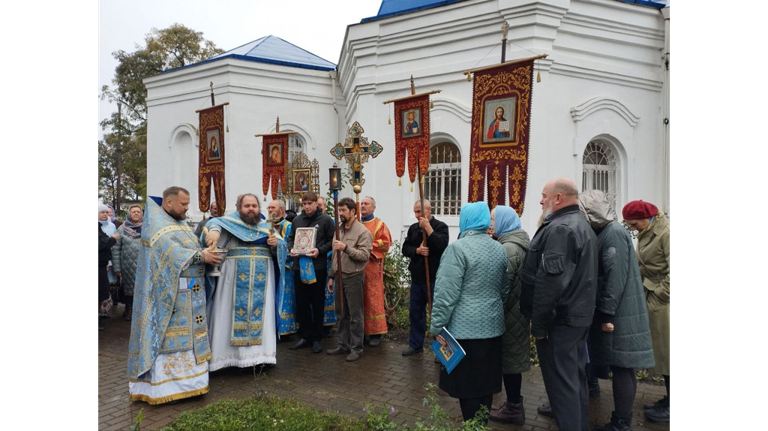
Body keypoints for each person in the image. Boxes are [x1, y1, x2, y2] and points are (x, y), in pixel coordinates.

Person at [127, 186, 223, 405]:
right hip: (169, 298)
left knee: (192, 339)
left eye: (188, 204)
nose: (187, 208)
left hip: (192, 295)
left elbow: (190, 248)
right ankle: (163, 390)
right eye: (183, 204)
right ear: (168, 203)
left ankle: (193, 385)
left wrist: (207, 249)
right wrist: (201, 256)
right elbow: (171, 254)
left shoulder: (180, 224)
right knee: (169, 340)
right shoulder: (158, 226)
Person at [519, 177, 598, 431]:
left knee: (562, 387)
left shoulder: (562, 228)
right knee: (574, 381)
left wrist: (540, 327)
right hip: (576, 318)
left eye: (544, 195)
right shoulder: (579, 224)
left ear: (558, 198)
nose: (541, 201)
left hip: (560, 322)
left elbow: (550, 284)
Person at [575, 190, 656, 431]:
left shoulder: (613, 235)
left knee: (623, 366)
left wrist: (607, 314)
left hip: (621, 314)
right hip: (621, 311)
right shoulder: (609, 233)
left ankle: (621, 423)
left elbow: (614, 278)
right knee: (620, 364)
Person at [429, 201, 509, 424]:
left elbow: (446, 295)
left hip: (464, 333)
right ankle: (480, 426)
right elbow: (504, 290)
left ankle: (473, 427)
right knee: (485, 388)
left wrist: (436, 328)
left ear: (465, 221)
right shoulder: (499, 248)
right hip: (493, 330)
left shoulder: (457, 248)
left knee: (468, 390)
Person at [204, 194, 286, 371]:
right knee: (227, 311)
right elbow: (214, 224)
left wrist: (276, 245)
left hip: (263, 282)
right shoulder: (229, 223)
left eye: (254, 206)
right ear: (239, 207)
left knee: (263, 316)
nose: (251, 209)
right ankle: (227, 359)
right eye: (247, 206)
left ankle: (260, 357)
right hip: (232, 281)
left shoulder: (266, 227)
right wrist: (214, 231)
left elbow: (283, 249)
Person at [622, 199, 670, 423]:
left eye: (634, 224)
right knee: (662, 355)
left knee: (667, 354)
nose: (633, 228)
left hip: (664, 301)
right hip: (654, 297)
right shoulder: (648, 230)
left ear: (645, 218)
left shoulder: (665, 233)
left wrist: (660, 294)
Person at [487, 205, 531, 425]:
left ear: (504, 222)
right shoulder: (517, 242)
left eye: (494, 220)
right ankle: (514, 405)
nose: (490, 225)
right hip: (517, 312)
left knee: (511, 361)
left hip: (509, 314)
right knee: (512, 359)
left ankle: (514, 408)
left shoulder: (508, 249)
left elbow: (500, 287)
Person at [286, 192, 335, 353]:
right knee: (302, 302)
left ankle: (317, 338)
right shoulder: (297, 220)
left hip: (317, 267)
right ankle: (305, 336)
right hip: (299, 266)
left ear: (316, 204)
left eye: (310, 203)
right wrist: (291, 248)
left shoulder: (326, 220)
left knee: (317, 301)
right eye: (304, 204)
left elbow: (331, 241)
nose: (306, 206)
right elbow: (291, 238)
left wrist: (319, 250)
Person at [326, 197, 373, 362]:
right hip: (338, 276)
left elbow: (364, 256)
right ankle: (343, 345)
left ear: (353, 212)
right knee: (340, 313)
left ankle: (356, 348)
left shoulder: (362, 232)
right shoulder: (338, 230)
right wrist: (331, 276)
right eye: (339, 210)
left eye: (344, 210)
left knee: (355, 315)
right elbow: (334, 256)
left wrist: (346, 248)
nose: (341, 213)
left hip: (353, 277)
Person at [401, 199, 449, 356]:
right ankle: (415, 345)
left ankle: (441, 350)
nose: (416, 215)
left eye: (419, 212)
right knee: (415, 313)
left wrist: (428, 229)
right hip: (417, 277)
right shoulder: (414, 229)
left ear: (429, 210)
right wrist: (417, 251)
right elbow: (405, 248)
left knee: (438, 314)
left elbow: (442, 245)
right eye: (415, 212)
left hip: (435, 278)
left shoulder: (441, 227)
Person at [359, 196, 392, 347]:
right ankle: (362, 331)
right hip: (356, 268)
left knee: (373, 299)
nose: (363, 206)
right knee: (359, 300)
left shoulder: (379, 225)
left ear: (373, 208)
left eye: (366, 204)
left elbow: (385, 243)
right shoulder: (355, 224)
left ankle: (375, 333)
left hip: (372, 267)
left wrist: (366, 246)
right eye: (362, 203)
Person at [268, 199, 298, 336]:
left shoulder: (288, 226)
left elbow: (289, 246)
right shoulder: (265, 225)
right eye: (268, 207)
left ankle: (285, 328)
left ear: (281, 210)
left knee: (285, 297)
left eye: (272, 207)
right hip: (270, 266)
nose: (269, 210)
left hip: (285, 266)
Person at [113, 204, 143, 321]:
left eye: (138, 212)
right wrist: (117, 268)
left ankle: (140, 312)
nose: (136, 213)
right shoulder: (122, 229)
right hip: (127, 265)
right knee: (128, 289)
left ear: (142, 214)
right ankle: (129, 309)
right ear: (129, 214)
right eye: (133, 212)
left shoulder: (146, 229)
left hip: (143, 265)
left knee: (141, 289)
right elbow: (115, 249)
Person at [317, 196, 337, 335]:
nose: (318, 207)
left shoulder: (331, 221)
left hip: (328, 261)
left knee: (328, 292)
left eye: (320, 205)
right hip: (315, 262)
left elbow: (334, 241)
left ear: (324, 206)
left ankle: (328, 325)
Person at [99, 204, 120, 331]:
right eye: (102, 212)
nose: (106, 215)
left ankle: (101, 314)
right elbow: (101, 245)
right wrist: (113, 239)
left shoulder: (100, 227)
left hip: (102, 264)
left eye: (107, 212)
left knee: (102, 291)